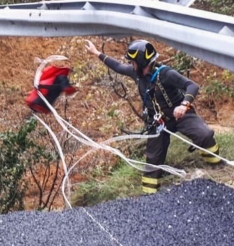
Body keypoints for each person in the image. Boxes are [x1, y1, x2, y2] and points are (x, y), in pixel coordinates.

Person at [85, 39, 221, 194]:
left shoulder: (166, 74)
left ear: (142, 62)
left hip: (180, 115)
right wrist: (96, 53)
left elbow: (192, 86)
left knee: (204, 134)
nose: (131, 65)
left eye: (133, 62)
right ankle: (149, 195)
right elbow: (118, 67)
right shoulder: (135, 73)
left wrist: (184, 105)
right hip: (158, 122)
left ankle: (217, 167)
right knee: (153, 161)